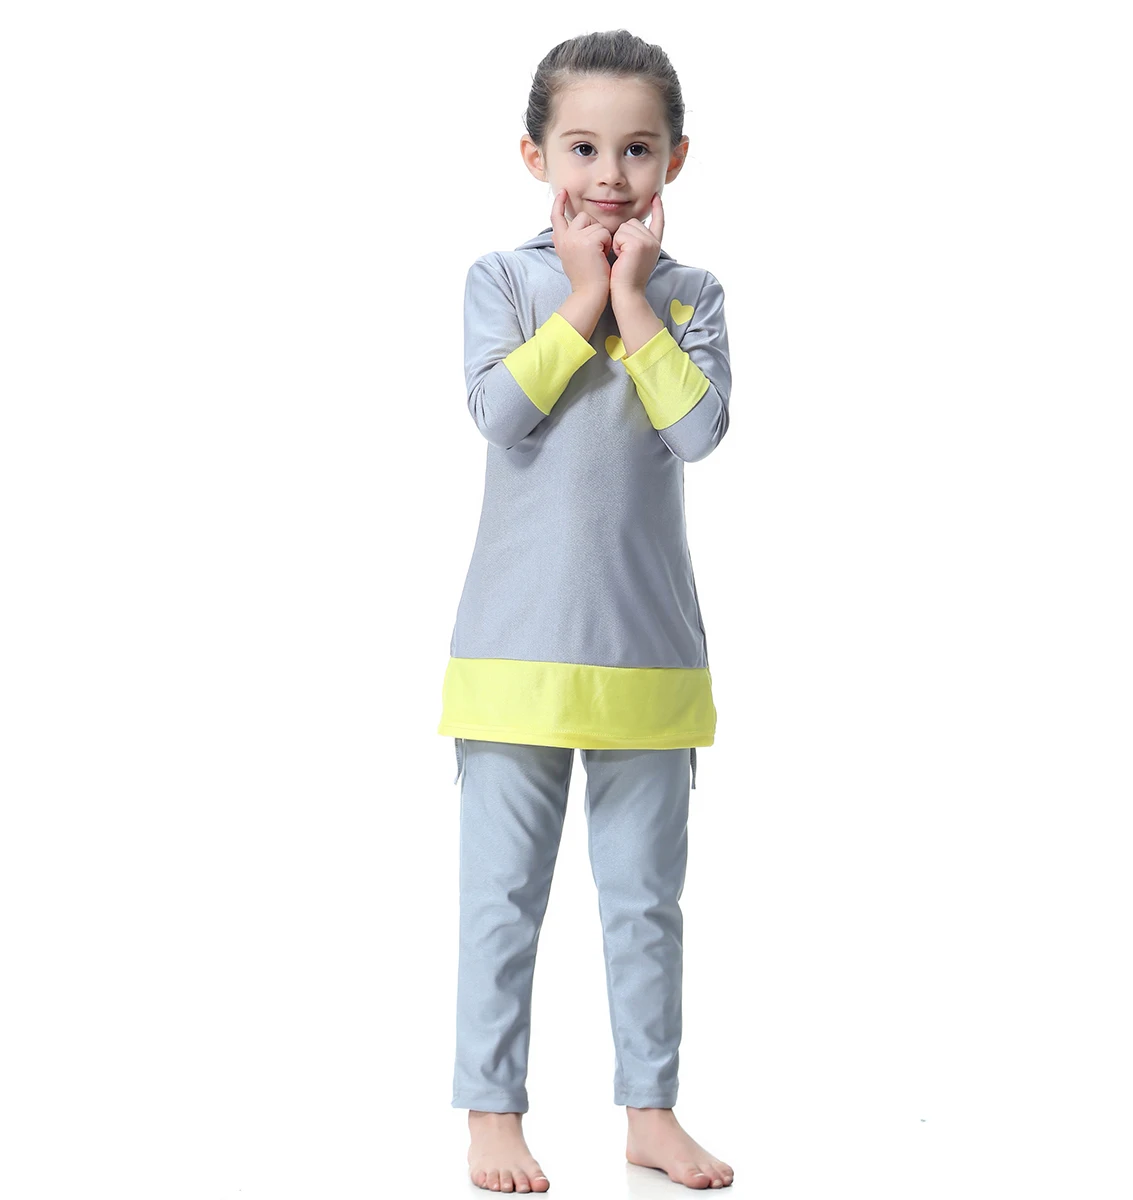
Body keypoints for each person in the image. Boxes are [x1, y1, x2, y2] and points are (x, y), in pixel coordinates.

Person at [437, 29, 735, 1193]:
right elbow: (499, 415)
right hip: (511, 656)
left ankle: (650, 1113)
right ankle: (491, 1117)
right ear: (534, 155)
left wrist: (631, 302)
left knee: (645, 908)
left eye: (637, 149)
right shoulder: (502, 283)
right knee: (500, 905)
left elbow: (697, 431)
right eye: (582, 147)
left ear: (675, 159)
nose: (610, 174)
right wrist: (579, 299)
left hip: (649, 660)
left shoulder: (692, 297)